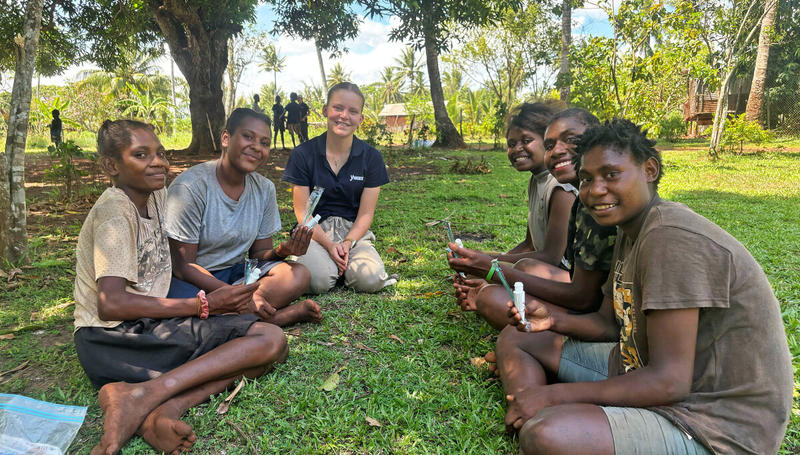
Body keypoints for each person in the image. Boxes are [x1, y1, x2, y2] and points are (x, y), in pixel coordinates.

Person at [496, 118, 792, 455]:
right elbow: (607, 324)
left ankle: (545, 416)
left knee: (548, 435)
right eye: (587, 179)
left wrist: (556, 395)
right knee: (517, 338)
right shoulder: (629, 229)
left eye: (611, 174)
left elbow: (669, 381)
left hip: (714, 422)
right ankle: (529, 412)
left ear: (649, 170)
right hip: (641, 368)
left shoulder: (671, 237)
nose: (595, 190)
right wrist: (550, 320)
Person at [73, 119, 288, 455]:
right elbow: (110, 304)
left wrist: (214, 300)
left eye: (160, 153)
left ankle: (157, 406)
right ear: (112, 166)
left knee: (264, 351)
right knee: (268, 340)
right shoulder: (115, 213)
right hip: (112, 339)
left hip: (145, 330)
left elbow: (177, 264)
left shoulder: (157, 194)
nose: (158, 162)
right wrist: (203, 306)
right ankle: (144, 396)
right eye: (141, 155)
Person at [449, 108, 615, 330]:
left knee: (494, 294)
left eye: (526, 140)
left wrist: (492, 269)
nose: (557, 151)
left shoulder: (567, 192)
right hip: (582, 291)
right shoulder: (559, 191)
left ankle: (541, 336)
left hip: (591, 302)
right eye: (550, 145)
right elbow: (530, 244)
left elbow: (554, 260)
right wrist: (484, 262)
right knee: (514, 272)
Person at [165, 108, 321, 326]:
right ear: (226, 138)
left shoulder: (264, 189)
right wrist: (242, 296)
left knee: (298, 274)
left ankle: (235, 316)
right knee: (183, 309)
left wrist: (282, 251)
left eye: (265, 142)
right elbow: (183, 267)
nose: (256, 147)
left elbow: (258, 253)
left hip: (238, 273)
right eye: (248, 137)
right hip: (193, 280)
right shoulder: (190, 188)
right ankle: (274, 317)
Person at [282, 82, 396, 294]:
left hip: (353, 232)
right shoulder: (302, 155)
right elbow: (303, 213)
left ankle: (344, 265)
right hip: (313, 233)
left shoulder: (371, 158)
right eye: (338, 108)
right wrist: (328, 245)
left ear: (360, 119)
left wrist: (347, 242)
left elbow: (365, 214)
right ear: (326, 110)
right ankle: (329, 266)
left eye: (353, 111)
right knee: (316, 281)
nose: (344, 115)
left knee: (369, 280)